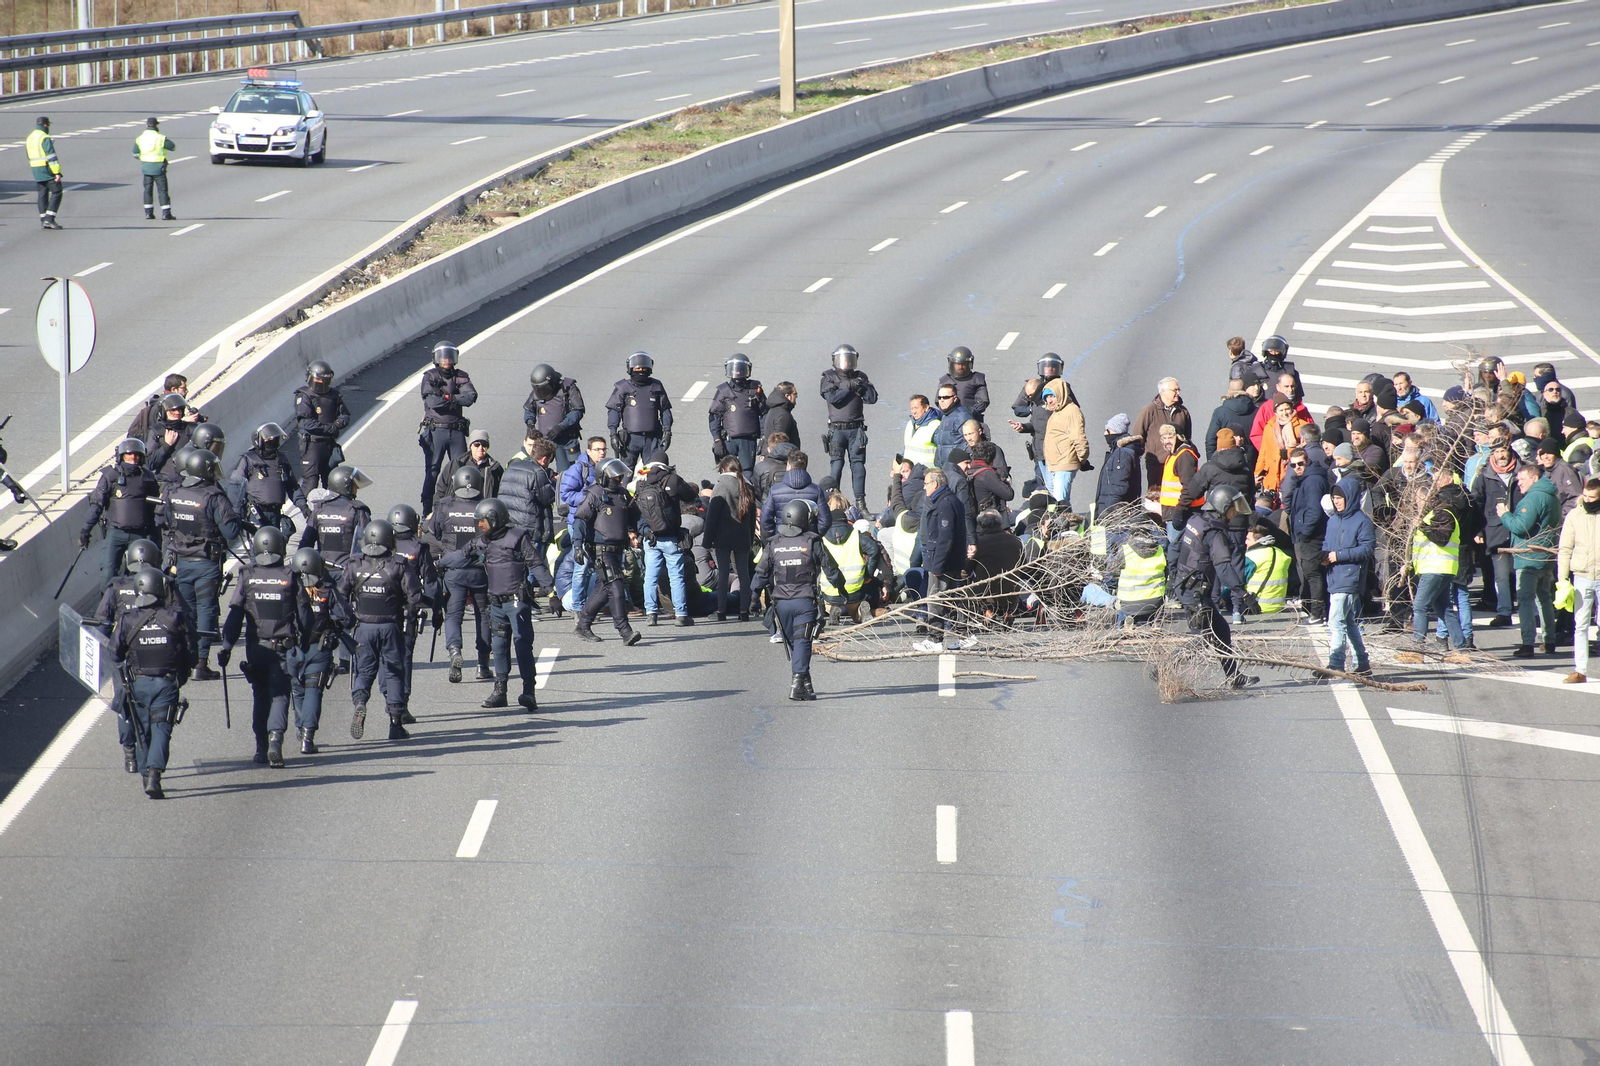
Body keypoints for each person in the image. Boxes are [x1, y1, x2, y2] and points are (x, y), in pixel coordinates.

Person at [219, 526, 314, 768]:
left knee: (260, 696)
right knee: (281, 695)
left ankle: (261, 747)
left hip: (256, 648)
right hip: (283, 647)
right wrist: (305, 641)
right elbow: (304, 613)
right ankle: (275, 741)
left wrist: (227, 646)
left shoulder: (247, 575)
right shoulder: (290, 575)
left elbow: (235, 615)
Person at [90, 540, 184, 772]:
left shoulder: (116, 586)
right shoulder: (166, 584)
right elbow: (181, 617)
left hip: (125, 659)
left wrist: (108, 654)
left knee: (125, 706)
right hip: (158, 662)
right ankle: (147, 763)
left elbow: (101, 622)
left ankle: (130, 754)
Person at [158, 448, 243, 681]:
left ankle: (182, 660)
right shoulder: (213, 496)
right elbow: (231, 532)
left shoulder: (174, 491)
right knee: (206, 612)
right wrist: (236, 516)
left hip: (179, 562)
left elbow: (164, 521)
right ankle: (201, 664)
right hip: (206, 563)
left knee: (185, 612)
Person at [111, 567, 195, 798]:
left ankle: (145, 772)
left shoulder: (127, 619)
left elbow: (114, 653)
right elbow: (190, 649)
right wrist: (183, 674)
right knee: (161, 730)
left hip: (138, 685)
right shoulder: (175, 616)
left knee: (142, 730)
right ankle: (154, 775)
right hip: (166, 685)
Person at [753, 499, 848, 700]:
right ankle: (797, 684)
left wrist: (754, 596)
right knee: (802, 642)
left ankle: (806, 685)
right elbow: (831, 569)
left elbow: (761, 573)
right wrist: (842, 589)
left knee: (796, 645)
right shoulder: (812, 542)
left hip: (781, 604)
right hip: (804, 602)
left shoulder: (773, 543)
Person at [338, 521, 423, 740]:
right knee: (394, 672)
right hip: (391, 627)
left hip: (364, 628)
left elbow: (341, 596)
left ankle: (360, 702)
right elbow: (415, 597)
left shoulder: (355, 564)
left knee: (364, 671)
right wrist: (409, 613)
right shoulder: (399, 564)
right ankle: (395, 724)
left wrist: (349, 620)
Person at [1173, 485, 1257, 688]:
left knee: (1220, 629)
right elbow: (1224, 569)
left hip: (1188, 586)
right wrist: (1243, 594)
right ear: (1222, 506)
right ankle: (1164, 668)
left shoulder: (1196, 521)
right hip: (1194, 592)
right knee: (1201, 637)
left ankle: (1234, 677)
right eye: (1232, 508)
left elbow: (1175, 549)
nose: (1235, 512)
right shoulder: (1214, 532)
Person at [466, 498, 541, 711]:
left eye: (483, 522)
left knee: (522, 645)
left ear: (495, 520)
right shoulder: (484, 540)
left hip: (516, 602)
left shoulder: (518, 537)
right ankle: (500, 692)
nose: (480, 526)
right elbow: (463, 555)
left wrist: (553, 591)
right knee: (498, 648)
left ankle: (529, 692)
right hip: (496, 604)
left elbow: (535, 562)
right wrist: (438, 564)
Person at [425, 465, 493, 683]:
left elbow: (433, 531)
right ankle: (483, 665)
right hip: (480, 571)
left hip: (453, 570)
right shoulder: (484, 506)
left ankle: (455, 651)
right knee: (483, 616)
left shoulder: (445, 506)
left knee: (453, 616)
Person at [572, 458, 645, 645]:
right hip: (601, 551)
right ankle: (624, 630)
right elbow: (580, 520)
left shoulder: (622, 494)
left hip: (618, 550)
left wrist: (647, 531)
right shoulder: (594, 494)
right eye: (616, 476)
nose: (619, 479)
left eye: (621, 476)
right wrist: (578, 544)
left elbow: (636, 517)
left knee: (603, 590)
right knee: (616, 587)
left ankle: (583, 625)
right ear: (604, 477)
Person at [1498, 461, 1561, 657]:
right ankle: (1549, 641)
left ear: (1534, 478)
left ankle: (1527, 644)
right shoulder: (1552, 497)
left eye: (1522, 479)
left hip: (1529, 557)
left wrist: (1505, 514)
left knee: (1525, 600)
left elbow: (1520, 527)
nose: (1519, 484)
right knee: (1544, 599)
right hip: (1546, 556)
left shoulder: (1532, 499)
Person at [80, 438, 161, 582]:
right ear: (121, 456)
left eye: (136, 455)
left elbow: (155, 509)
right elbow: (96, 505)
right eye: (129, 455)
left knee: (140, 576)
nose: (133, 458)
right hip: (115, 533)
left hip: (139, 534)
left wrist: (156, 536)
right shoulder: (110, 477)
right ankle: (106, 603)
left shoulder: (148, 478)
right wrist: (85, 531)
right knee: (108, 572)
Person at [635, 450, 698, 626]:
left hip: (650, 537)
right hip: (670, 536)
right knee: (676, 577)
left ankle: (651, 614)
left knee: (650, 576)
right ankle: (681, 615)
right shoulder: (672, 479)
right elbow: (690, 496)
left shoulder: (641, 482)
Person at [286, 547, 339, 753]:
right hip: (318, 650)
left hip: (292, 649)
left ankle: (300, 726)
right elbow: (346, 616)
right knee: (313, 691)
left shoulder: (287, 591)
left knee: (297, 690)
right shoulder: (328, 591)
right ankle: (307, 737)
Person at [388, 503, 439, 712]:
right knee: (406, 656)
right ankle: (403, 702)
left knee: (387, 658)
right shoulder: (419, 548)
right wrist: (436, 609)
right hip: (410, 610)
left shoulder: (383, 546)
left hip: (384, 611)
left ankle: (387, 698)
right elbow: (431, 581)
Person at [913, 467, 969, 653]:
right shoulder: (950, 500)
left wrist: (937, 565)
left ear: (936, 483)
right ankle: (965, 636)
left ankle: (935, 639)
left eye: (926, 483)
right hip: (951, 560)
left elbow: (946, 537)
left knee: (935, 600)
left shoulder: (944, 503)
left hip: (943, 562)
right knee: (956, 598)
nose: (924, 487)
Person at [500, 437, 559, 613]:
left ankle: (523, 599)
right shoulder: (538, 472)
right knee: (531, 565)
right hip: (530, 526)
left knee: (517, 565)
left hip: (510, 524)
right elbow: (547, 497)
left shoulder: (512, 467)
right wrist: (553, 482)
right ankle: (525, 602)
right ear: (544, 458)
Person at [418, 341, 479, 514]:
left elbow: (470, 397)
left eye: (449, 357)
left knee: (462, 470)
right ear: (436, 359)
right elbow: (433, 402)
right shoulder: (430, 376)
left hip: (456, 431)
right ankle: (427, 510)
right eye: (443, 357)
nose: (446, 361)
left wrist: (448, 397)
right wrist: (454, 398)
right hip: (436, 431)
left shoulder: (460, 375)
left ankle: (462, 506)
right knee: (433, 471)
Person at [1322, 479, 1374, 674]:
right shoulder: (1333, 520)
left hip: (1351, 576)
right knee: (1349, 621)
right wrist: (1325, 556)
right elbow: (1327, 544)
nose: (1337, 502)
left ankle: (1336, 662)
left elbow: (1367, 549)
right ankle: (1362, 662)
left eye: (1340, 498)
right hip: (1334, 575)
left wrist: (1339, 555)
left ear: (1350, 498)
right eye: (1334, 498)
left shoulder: (1362, 521)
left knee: (1335, 621)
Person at [818, 344, 879, 513]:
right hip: (837, 431)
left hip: (856, 430)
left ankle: (861, 503)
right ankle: (831, 502)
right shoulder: (829, 377)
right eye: (843, 360)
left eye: (849, 360)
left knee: (858, 466)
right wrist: (849, 387)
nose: (846, 364)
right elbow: (833, 398)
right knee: (836, 466)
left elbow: (872, 398)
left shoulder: (860, 377)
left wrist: (861, 386)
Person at [229, 422, 308, 539]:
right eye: (268, 438)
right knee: (260, 550)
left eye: (274, 438)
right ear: (259, 440)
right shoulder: (249, 459)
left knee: (277, 549)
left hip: (276, 514)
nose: (272, 440)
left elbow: (292, 486)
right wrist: (236, 513)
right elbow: (235, 486)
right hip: (256, 514)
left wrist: (303, 506)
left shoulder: (281, 459)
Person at [818, 501, 890, 623]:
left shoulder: (822, 538)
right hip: (854, 589)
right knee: (856, 617)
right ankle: (860, 611)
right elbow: (873, 549)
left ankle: (833, 609)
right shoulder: (855, 535)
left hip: (830, 589)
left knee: (826, 600)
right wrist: (868, 574)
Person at [559, 436, 608, 613]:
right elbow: (566, 494)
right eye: (597, 449)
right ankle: (579, 608)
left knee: (599, 564)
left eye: (604, 449)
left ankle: (594, 604)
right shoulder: (578, 469)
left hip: (600, 523)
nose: (601, 452)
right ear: (588, 451)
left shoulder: (606, 468)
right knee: (582, 565)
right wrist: (590, 499)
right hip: (579, 523)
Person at [705, 455, 756, 622]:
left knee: (723, 574)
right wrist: (749, 538)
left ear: (723, 469)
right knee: (743, 574)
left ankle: (721, 611)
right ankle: (744, 610)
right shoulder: (747, 486)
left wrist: (707, 540)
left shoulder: (721, 487)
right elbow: (752, 516)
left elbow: (712, 516)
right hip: (742, 537)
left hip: (723, 538)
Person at [1558, 479, 1600, 683]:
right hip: (1582, 576)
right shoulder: (1575, 515)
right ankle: (1580, 670)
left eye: (1592, 497)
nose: (1587, 500)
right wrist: (1562, 578)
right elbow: (1565, 548)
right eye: (1585, 495)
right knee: (1580, 625)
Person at [1283, 446, 1330, 622]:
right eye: (1293, 465)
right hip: (1307, 533)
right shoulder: (1304, 479)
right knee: (1312, 572)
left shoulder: (1312, 481)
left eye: (1301, 464)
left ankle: (1318, 613)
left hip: (1312, 535)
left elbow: (1314, 510)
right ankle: (1316, 610)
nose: (1297, 468)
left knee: (1313, 573)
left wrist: (1305, 532)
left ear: (1307, 461)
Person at [293, 361, 352, 498]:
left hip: (329, 444)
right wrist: (328, 428)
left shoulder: (334, 395)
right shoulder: (305, 396)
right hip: (312, 445)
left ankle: (331, 511)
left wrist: (336, 425)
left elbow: (345, 415)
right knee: (311, 481)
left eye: (324, 380)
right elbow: (306, 423)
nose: (321, 383)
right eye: (318, 380)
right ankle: (303, 512)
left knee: (333, 481)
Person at [606, 351, 673, 466]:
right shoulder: (623, 387)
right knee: (625, 472)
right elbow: (614, 411)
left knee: (653, 471)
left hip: (651, 439)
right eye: (637, 369)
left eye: (644, 368)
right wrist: (613, 434)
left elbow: (665, 409)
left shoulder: (656, 386)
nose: (641, 371)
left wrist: (667, 432)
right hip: (630, 439)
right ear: (631, 369)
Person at [1010, 353, 1065, 490]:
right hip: (1039, 445)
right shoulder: (1032, 386)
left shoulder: (1063, 388)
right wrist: (1032, 411)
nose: (1049, 371)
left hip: (1058, 445)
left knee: (1056, 484)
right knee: (1042, 480)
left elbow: (1074, 412)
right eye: (1046, 368)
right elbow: (1018, 409)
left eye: (1053, 368)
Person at [708, 354, 768, 474]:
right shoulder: (723, 391)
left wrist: (763, 437)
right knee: (728, 473)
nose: (737, 372)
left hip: (748, 439)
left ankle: (746, 492)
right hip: (729, 440)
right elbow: (714, 416)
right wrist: (717, 440)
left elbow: (764, 414)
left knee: (747, 472)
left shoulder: (755, 389)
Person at [306, 465, 371, 573]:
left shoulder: (319, 509)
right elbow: (366, 544)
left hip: (322, 572)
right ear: (346, 486)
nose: (357, 488)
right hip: (348, 572)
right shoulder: (357, 510)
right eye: (354, 484)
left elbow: (306, 543)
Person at [1132, 378, 1192, 494]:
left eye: (1178, 390)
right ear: (1163, 391)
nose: (1178, 393)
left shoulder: (1183, 412)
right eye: (1175, 390)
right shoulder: (1149, 410)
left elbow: (1187, 438)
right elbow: (1137, 437)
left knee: (1176, 495)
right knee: (1156, 497)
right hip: (1157, 465)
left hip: (1178, 463)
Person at [522, 363, 585, 472]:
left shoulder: (567, 388)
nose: (541, 392)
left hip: (563, 439)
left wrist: (561, 426)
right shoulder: (538, 391)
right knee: (536, 470)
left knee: (564, 473)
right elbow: (529, 409)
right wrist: (530, 424)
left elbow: (578, 410)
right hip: (543, 440)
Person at [1042, 379, 1089, 506]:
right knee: (1058, 503)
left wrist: (1082, 459)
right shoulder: (1057, 412)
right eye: (1046, 397)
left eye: (1052, 396)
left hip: (1064, 463)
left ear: (1061, 394)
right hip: (1054, 464)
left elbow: (1079, 439)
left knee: (1059, 503)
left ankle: (1064, 525)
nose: (1049, 400)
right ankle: (1067, 524)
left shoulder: (1072, 411)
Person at [760, 449, 826, 540]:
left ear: (789, 466)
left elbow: (765, 519)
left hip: (782, 540)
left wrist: (776, 536)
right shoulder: (816, 490)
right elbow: (825, 520)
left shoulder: (775, 490)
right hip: (807, 541)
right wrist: (813, 535)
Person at [1157, 424, 1201, 547]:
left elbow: (1189, 487)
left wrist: (1180, 511)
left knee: (1178, 550)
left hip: (1183, 511)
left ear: (1179, 437)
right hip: (1174, 511)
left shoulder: (1184, 455)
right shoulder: (1174, 454)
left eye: (1170, 437)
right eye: (1164, 438)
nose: (1167, 442)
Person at [435, 428, 503, 504]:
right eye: (477, 445)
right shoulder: (456, 464)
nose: (480, 448)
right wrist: (437, 510)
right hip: (457, 509)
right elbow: (441, 490)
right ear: (471, 446)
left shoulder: (495, 468)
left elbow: (502, 494)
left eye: (484, 445)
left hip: (482, 510)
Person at [1094, 414, 1142, 513]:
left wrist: (1108, 510)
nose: (1105, 433)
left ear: (1115, 431)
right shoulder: (1118, 451)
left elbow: (1119, 486)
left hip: (1116, 512)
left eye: (1107, 430)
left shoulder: (1123, 454)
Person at [1243, 520, 1293, 615]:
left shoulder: (1251, 557)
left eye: (1248, 539)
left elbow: (1237, 582)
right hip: (1278, 606)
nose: (1245, 542)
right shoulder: (1281, 554)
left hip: (1255, 607)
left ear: (1258, 541)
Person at [133, 117, 176, 220]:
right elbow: (173, 147)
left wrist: (143, 158)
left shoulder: (140, 138)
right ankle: (166, 213)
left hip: (146, 167)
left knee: (147, 190)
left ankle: (148, 213)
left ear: (147, 125)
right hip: (159, 167)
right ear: (156, 125)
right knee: (162, 190)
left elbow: (135, 153)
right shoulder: (160, 138)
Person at [26, 116, 64, 229]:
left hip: (35, 168)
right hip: (46, 168)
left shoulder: (31, 137)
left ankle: (43, 218)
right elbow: (51, 156)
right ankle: (50, 218)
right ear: (45, 125)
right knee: (57, 191)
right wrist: (57, 172)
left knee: (42, 193)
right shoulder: (44, 137)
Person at [939, 346, 990, 421]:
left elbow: (982, 403)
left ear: (969, 364)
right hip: (950, 420)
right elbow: (939, 403)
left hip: (971, 420)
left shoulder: (977, 379)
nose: (960, 367)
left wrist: (965, 413)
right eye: (957, 364)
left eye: (963, 364)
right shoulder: (945, 380)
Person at [931, 385, 973, 469]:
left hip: (955, 468)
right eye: (939, 397)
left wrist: (957, 460)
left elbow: (970, 441)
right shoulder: (946, 415)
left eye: (945, 397)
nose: (942, 400)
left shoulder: (961, 415)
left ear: (954, 398)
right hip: (943, 468)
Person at [902, 394, 941, 469]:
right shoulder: (910, 424)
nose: (913, 412)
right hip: (910, 472)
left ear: (926, 408)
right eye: (912, 408)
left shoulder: (935, 425)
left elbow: (942, 452)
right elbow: (908, 448)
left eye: (916, 408)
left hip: (927, 473)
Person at [762, 382, 802, 449]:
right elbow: (778, 441)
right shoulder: (783, 415)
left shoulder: (773, 410)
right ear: (787, 396)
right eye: (794, 394)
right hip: (782, 456)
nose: (796, 397)